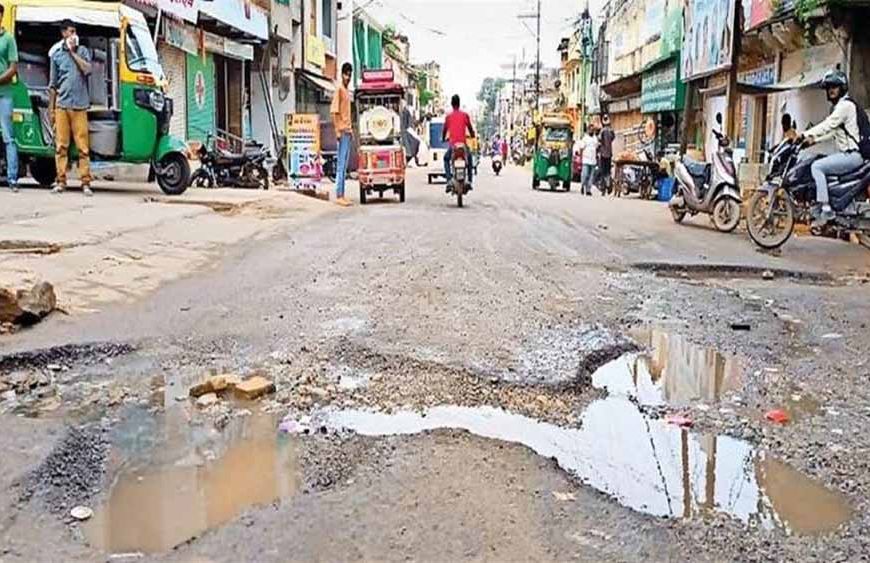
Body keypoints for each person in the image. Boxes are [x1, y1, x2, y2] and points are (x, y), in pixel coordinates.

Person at [800, 69, 864, 227]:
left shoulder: (845, 106)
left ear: (842, 88)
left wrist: (803, 134)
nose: (831, 90)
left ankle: (826, 209)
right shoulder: (840, 108)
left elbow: (828, 125)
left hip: (853, 156)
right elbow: (832, 133)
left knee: (817, 166)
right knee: (821, 163)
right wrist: (813, 141)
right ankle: (823, 205)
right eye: (829, 88)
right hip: (849, 156)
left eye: (834, 87)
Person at [49, 19, 93, 196]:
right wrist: (51, 110)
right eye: (70, 32)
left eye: (75, 32)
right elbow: (52, 85)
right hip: (62, 105)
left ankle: (85, 182)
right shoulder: (56, 55)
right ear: (63, 33)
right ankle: (61, 181)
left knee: (83, 147)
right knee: (61, 146)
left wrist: (73, 53)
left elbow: (87, 70)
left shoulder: (82, 51)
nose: (73, 35)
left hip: (80, 105)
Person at [0, 5, 19, 193]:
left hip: (4, 94)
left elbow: (13, 68)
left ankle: (13, 179)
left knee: (8, 137)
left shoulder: (8, 39)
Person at [330, 62, 353, 207]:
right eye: (346, 74)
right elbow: (334, 112)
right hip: (342, 132)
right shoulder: (339, 90)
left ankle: (342, 194)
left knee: (344, 166)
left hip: (348, 132)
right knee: (340, 165)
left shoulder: (346, 91)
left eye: (350, 75)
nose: (348, 77)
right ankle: (339, 195)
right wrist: (337, 131)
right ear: (342, 74)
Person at [441, 94, 476, 188]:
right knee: (469, 159)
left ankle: (448, 180)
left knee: (446, 159)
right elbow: (470, 128)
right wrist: (472, 135)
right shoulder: (465, 115)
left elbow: (444, 130)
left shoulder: (448, 117)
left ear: (452, 104)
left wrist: (443, 138)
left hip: (453, 146)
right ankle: (469, 180)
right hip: (463, 145)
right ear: (459, 104)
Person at [578, 126, 599, 196]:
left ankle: (588, 190)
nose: (592, 131)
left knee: (591, 176)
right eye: (591, 130)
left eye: (593, 130)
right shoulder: (585, 138)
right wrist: (580, 158)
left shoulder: (595, 138)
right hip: (586, 160)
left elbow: (596, 147)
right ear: (588, 130)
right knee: (585, 174)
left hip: (593, 160)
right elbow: (581, 148)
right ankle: (582, 186)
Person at [598, 115, 616, 194]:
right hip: (609, 153)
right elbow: (613, 138)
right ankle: (608, 185)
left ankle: (603, 187)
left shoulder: (602, 131)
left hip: (603, 154)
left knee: (603, 171)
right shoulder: (611, 131)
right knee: (608, 171)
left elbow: (599, 140)